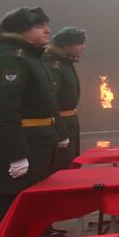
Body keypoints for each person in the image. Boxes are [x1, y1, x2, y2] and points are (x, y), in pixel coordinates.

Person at [0, 7, 58, 237]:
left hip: (37, 144)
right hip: (21, 145)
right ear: (20, 31)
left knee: (28, 213)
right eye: (39, 26)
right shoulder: (12, 60)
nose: (48, 30)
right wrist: (17, 155)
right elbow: (3, 111)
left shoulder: (31, 58)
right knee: (7, 211)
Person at [44, 25, 86, 169]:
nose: (83, 47)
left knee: (71, 163)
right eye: (79, 43)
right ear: (66, 45)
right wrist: (60, 131)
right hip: (60, 123)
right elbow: (51, 100)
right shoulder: (54, 64)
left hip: (69, 122)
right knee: (62, 166)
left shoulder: (65, 62)